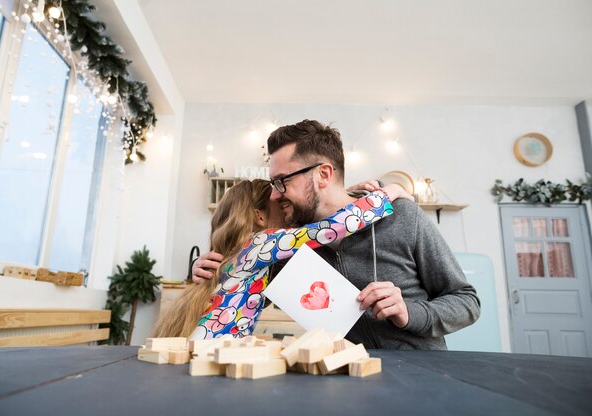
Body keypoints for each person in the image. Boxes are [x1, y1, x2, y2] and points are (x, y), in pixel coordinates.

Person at [193, 119, 480, 349]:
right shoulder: (288, 245)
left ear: (324, 174)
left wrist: (410, 312)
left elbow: (466, 301)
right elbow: (250, 295)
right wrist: (210, 272)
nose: (274, 194)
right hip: (347, 380)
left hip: (421, 380)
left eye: (282, 181)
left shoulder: (404, 217)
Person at [152, 178, 405, 339]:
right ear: (260, 217)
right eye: (281, 208)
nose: (288, 213)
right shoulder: (260, 243)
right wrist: (390, 191)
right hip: (211, 353)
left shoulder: (239, 253)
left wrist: (343, 195)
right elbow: (334, 227)